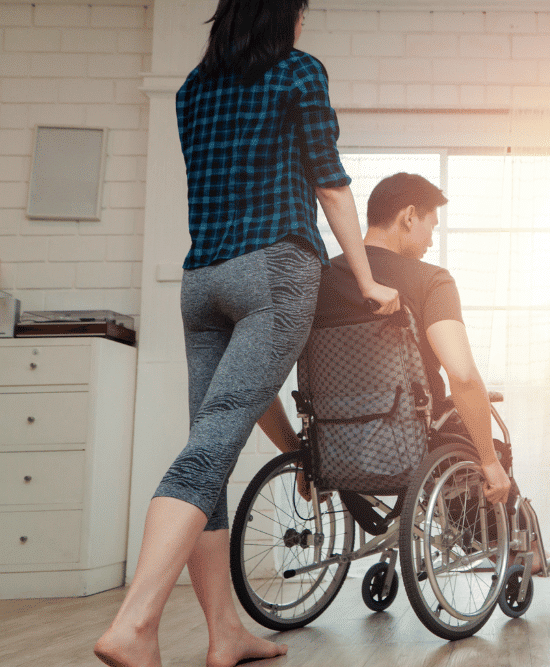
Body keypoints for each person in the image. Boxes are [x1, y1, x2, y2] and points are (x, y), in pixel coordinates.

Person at [94, 3, 398, 667]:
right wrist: (370, 280)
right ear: (285, 16)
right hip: (274, 270)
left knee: (211, 448)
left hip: (202, 282)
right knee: (208, 453)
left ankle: (224, 632)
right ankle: (135, 622)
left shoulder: (191, 90)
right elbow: (332, 185)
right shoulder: (298, 73)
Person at [258, 171, 519, 521]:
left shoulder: (313, 282)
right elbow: (462, 373)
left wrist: (299, 454)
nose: (430, 240)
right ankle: (525, 551)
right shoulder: (430, 280)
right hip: (415, 444)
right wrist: (488, 460)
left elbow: (256, 382)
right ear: (409, 216)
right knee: (490, 446)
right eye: (431, 225)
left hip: (334, 450)